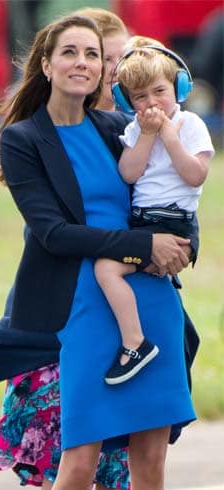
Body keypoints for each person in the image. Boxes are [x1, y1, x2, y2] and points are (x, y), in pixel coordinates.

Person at [0, 13, 194, 490]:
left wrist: (179, 249)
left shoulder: (121, 127)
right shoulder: (23, 140)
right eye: (68, 52)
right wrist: (141, 244)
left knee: (150, 462)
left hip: (147, 296)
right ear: (46, 64)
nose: (82, 62)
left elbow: (173, 194)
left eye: (92, 55)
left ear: (107, 69)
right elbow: (52, 232)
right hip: (80, 302)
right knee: (75, 463)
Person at [95, 45, 213, 384]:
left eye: (160, 91)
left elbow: (195, 175)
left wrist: (170, 138)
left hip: (175, 224)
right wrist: (147, 135)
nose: (152, 103)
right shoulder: (135, 130)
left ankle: (137, 343)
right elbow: (129, 173)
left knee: (108, 268)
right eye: (140, 97)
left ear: (179, 88)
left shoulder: (190, 125)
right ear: (128, 102)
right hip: (144, 223)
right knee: (107, 269)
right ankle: (136, 339)